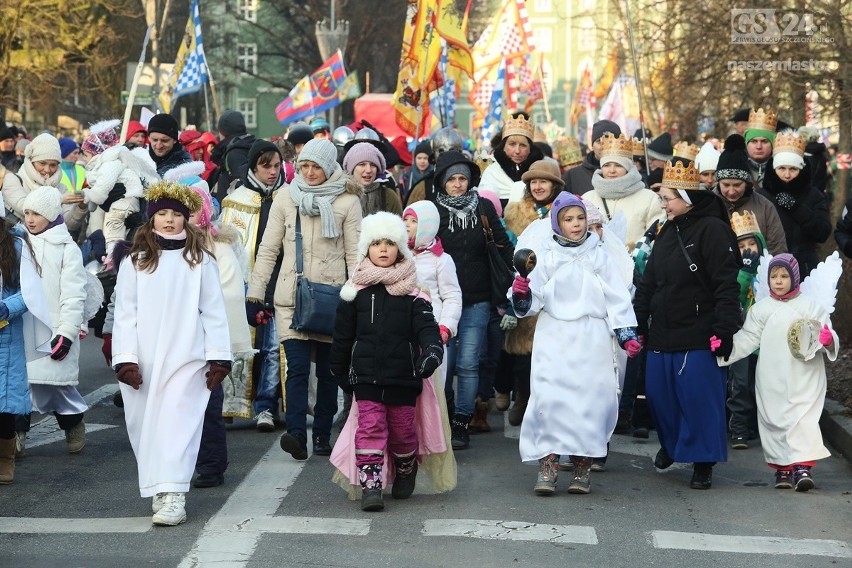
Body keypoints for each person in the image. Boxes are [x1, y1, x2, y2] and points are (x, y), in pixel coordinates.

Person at [111, 180, 231, 526]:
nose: (168, 220)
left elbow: (213, 310)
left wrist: (219, 357)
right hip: (146, 357)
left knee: (180, 422)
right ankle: (161, 489)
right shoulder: (135, 261)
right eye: (161, 213)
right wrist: (125, 359)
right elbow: (126, 313)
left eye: (175, 214)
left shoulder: (200, 260)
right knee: (149, 425)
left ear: (186, 219)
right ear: (151, 219)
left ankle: (175, 494)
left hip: (187, 356)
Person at [511, 192, 641, 495]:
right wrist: (522, 292)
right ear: (557, 222)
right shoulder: (545, 255)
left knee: (589, 402)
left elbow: (617, 297)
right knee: (549, 399)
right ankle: (548, 466)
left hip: (591, 335)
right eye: (569, 219)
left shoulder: (599, 255)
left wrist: (626, 333)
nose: (576, 224)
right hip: (554, 336)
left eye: (580, 218)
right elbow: (533, 300)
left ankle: (582, 467)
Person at [246, 138, 362, 460]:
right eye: (304, 166)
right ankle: (296, 433)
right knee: (296, 369)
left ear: (329, 167)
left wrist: (356, 296)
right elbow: (268, 249)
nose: (310, 173)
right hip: (291, 296)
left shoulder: (348, 201)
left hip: (332, 298)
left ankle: (323, 434)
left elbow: (354, 253)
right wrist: (255, 294)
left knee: (327, 373)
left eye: (316, 167)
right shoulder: (285, 197)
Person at [633, 157, 742, 490]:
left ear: (687, 199)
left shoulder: (713, 230)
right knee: (659, 395)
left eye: (667, 198)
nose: (662, 204)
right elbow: (649, 281)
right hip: (663, 330)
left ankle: (703, 461)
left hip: (699, 331)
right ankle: (673, 444)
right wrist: (638, 319)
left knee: (698, 400)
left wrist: (724, 329)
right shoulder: (668, 230)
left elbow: (726, 284)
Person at [328, 212, 445, 511]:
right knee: (369, 428)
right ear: (366, 248)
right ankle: (372, 486)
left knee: (403, 431)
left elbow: (427, 328)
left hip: (403, 376)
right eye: (376, 243)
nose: (383, 249)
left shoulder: (413, 293)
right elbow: (342, 336)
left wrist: (432, 352)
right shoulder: (354, 292)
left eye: (390, 243)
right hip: (365, 376)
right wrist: (340, 370)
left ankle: (406, 466)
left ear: (400, 249)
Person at [716, 254, 838, 492]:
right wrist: (723, 350)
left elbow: (826, 332)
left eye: (784, 276)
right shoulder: (761, 309)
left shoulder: (811, 306)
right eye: (774, 276)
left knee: (803, 419)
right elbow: (748, 337)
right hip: (771, 374)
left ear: (794, 277)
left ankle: (802, 468)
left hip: (805, 375)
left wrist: (828, 341)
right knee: (774, 419)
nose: (778, 281)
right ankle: (782, 467)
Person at [433, 150, 513, 450]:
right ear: (442, 181)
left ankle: (461, 421)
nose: (457, 184)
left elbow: (502, 244)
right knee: (445, 363)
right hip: (441, 302)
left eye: (462, 179)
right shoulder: (431, 211)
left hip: (478, 299)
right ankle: (446, 411)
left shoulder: (482, 208)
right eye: (451, 179)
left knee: (468, 363)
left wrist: (518, 276)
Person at [220, 140, 290, 430]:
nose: (273, 172)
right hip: (244, 286)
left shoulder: (291, 198)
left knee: (274, 348)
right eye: (266, 166)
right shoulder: (235, 202)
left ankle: (266, 406)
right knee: (240, 346)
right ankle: (231, 403)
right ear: (253, 167)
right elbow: (225, 250)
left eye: (276, 165)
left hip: (279, 285)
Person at [188, 185, 252, 487]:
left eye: (187, 211)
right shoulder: (165, 245)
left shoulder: (218, 247)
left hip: (208, 340)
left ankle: (211, 464)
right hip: (178, 339)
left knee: (209, 402)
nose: (178, 219)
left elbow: (228, 294)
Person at [20, 186, 88, 455]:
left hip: (55, 327)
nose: (30, 219)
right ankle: (15, 435)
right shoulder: (18, 242)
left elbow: (74, 293)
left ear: (50, 214)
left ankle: (73, 423)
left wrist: (67, 332)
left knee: (57, 388)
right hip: (23, 326)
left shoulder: (67, 248)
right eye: (26, 212)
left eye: (36, 213)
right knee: (19, 386)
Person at [499, 159, 563, 425]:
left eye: (543, 181)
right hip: (524, 284)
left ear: (555, 185)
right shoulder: (514, 212)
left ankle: (548, 407)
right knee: (523, 356)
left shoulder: (565, 210)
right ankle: (522, 397)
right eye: (533, 182)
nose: (537, 186)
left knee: (550, 357)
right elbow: (507, 250)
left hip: (555, 290)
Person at [0, 220, 42, 483]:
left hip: (5, 336)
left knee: (4, 404)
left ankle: (5, 458)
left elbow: (29, 292)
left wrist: (6, 308)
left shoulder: (15, 246)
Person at [758, 131, 831, 277]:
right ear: (774, 168)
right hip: (769, 268)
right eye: (781, 168)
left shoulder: (813, 195)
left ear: (801, 169)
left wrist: (797, 208)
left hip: (804, 268)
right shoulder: (761, 196)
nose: (787, 175)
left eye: (793, 169)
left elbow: (823, 232)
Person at [582, 133, 663, 250]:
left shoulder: (649, 198)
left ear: (628, 167)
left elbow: (657, 237)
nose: (612, 170)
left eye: (618, 165)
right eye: (606, 165)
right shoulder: (587, 199)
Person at [713, 134, 787, 256]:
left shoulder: (765, 207)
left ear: (747, 183)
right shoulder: (707, 204)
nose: (731, 191)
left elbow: (777, 248)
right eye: (726, 185)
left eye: (737, 185)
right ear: (718, 182)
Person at [3, 133, 87, 232]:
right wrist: (59, 198)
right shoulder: (12, 180)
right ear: (31, 161)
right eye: (42, 163)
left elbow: (68, 225)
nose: (47, 170)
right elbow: (24, 207)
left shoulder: (61, 188)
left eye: (53, 165)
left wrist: (80, 207)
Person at [479, 113, 544, 205]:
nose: (517, 151)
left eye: (523, 145)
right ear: (503, 147)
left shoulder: (541, 171)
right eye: (512, 144)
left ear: (530, 149)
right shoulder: (492, 172)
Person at [343, 142, 403, 216]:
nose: (368, 170)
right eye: (362, 164)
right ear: (351, 169)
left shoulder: (388, 196)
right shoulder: (341, 195)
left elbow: (398, 226)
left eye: (373, 165)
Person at [563, 120, 621, 196]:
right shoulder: (572, 177)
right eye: (599, 141)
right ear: (592, 145)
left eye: (610, 141)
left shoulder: (630, 173)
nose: (605, 146)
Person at [211, 110, 254, 200]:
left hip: (234, 206)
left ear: (222, 132)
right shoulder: (251, 145)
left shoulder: (233, 153)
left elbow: (240, 183)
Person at [744, 108, 777, 190]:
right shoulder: (736, 167)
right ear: (746, 144)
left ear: (773, 144)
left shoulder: (783, 170)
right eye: (754, 141)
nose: (759, 146)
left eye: (764, 141)